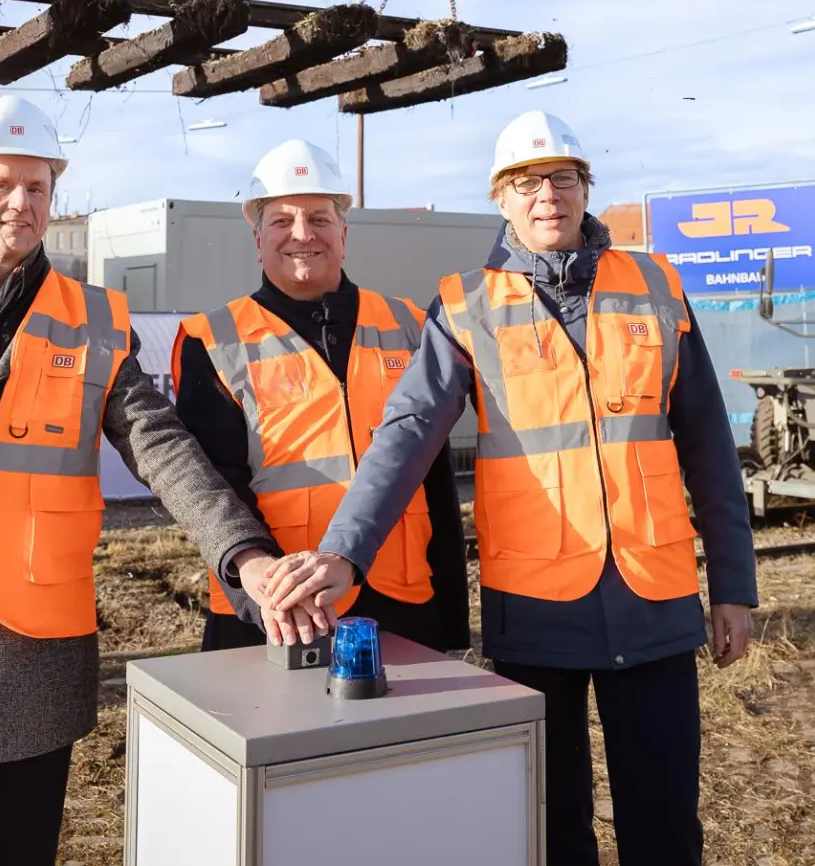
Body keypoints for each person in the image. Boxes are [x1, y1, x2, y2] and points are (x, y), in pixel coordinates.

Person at [256, 111, 758, 866]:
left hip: (654, 605)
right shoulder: (465, 305)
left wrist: (734, 586)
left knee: (665, 832)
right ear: (501, 200)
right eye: (525, 182)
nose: (546, 194)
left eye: (562, 177)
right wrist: (343, 555)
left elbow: (710, 448)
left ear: (587, 189)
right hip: (537, 615)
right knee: (551, 835)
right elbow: (407, 434)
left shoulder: (656, 286)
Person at [0, 94, 288, 866]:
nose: (20, 204)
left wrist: (245, 554)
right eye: (1, 185)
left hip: (31, 646)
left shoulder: (94, 319)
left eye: (37, 188)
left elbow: (162, 446)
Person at [171, 139, 471, 653]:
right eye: (283, 220)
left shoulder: (409, 324)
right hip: (278, 609)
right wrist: (258, 582)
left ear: (345, 234)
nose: (302, 234)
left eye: (319, 218)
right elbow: (215, 487)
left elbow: (436, 483)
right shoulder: (212, 340)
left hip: (404, 602)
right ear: (257, 238)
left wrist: (454, 624)